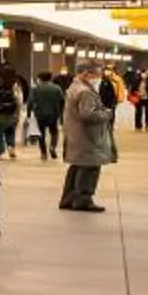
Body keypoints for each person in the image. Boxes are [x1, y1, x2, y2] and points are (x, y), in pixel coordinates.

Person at [59, 65, 116, 212]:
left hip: (76, 135)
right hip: (88, 137)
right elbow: (88, 114)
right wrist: (106, 114)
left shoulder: (74, 87)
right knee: (90, 167)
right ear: (86, 73)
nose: (98, 78)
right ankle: (83, 200)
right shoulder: (85, 92)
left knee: (76, 167)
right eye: (96, 75)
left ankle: (68, 199)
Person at [28, 70, 66, 162]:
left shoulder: (35, 88)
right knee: (54, 132)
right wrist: (60, 112)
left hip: (40, 114)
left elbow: (30, 101)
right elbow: (62, 100)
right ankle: (52, 146)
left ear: (40, 79)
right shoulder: (57, 88)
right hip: (53, 114)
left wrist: (29, 113)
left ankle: (43, 152)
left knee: (41, 134)